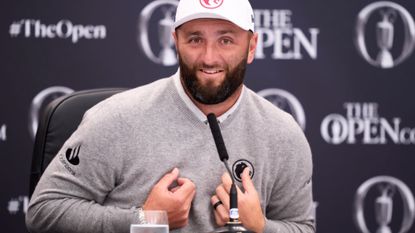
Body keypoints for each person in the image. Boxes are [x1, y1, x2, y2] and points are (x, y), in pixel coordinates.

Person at [26, 0, 315, 232]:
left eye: (226, 41)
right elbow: (44, 211)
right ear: (175, 41)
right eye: (195, 40)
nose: (209, 57)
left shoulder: (282, 133)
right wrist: (145, 220)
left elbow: (301, 226)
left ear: (251, 47)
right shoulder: (118, 117)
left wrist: (261, 227)